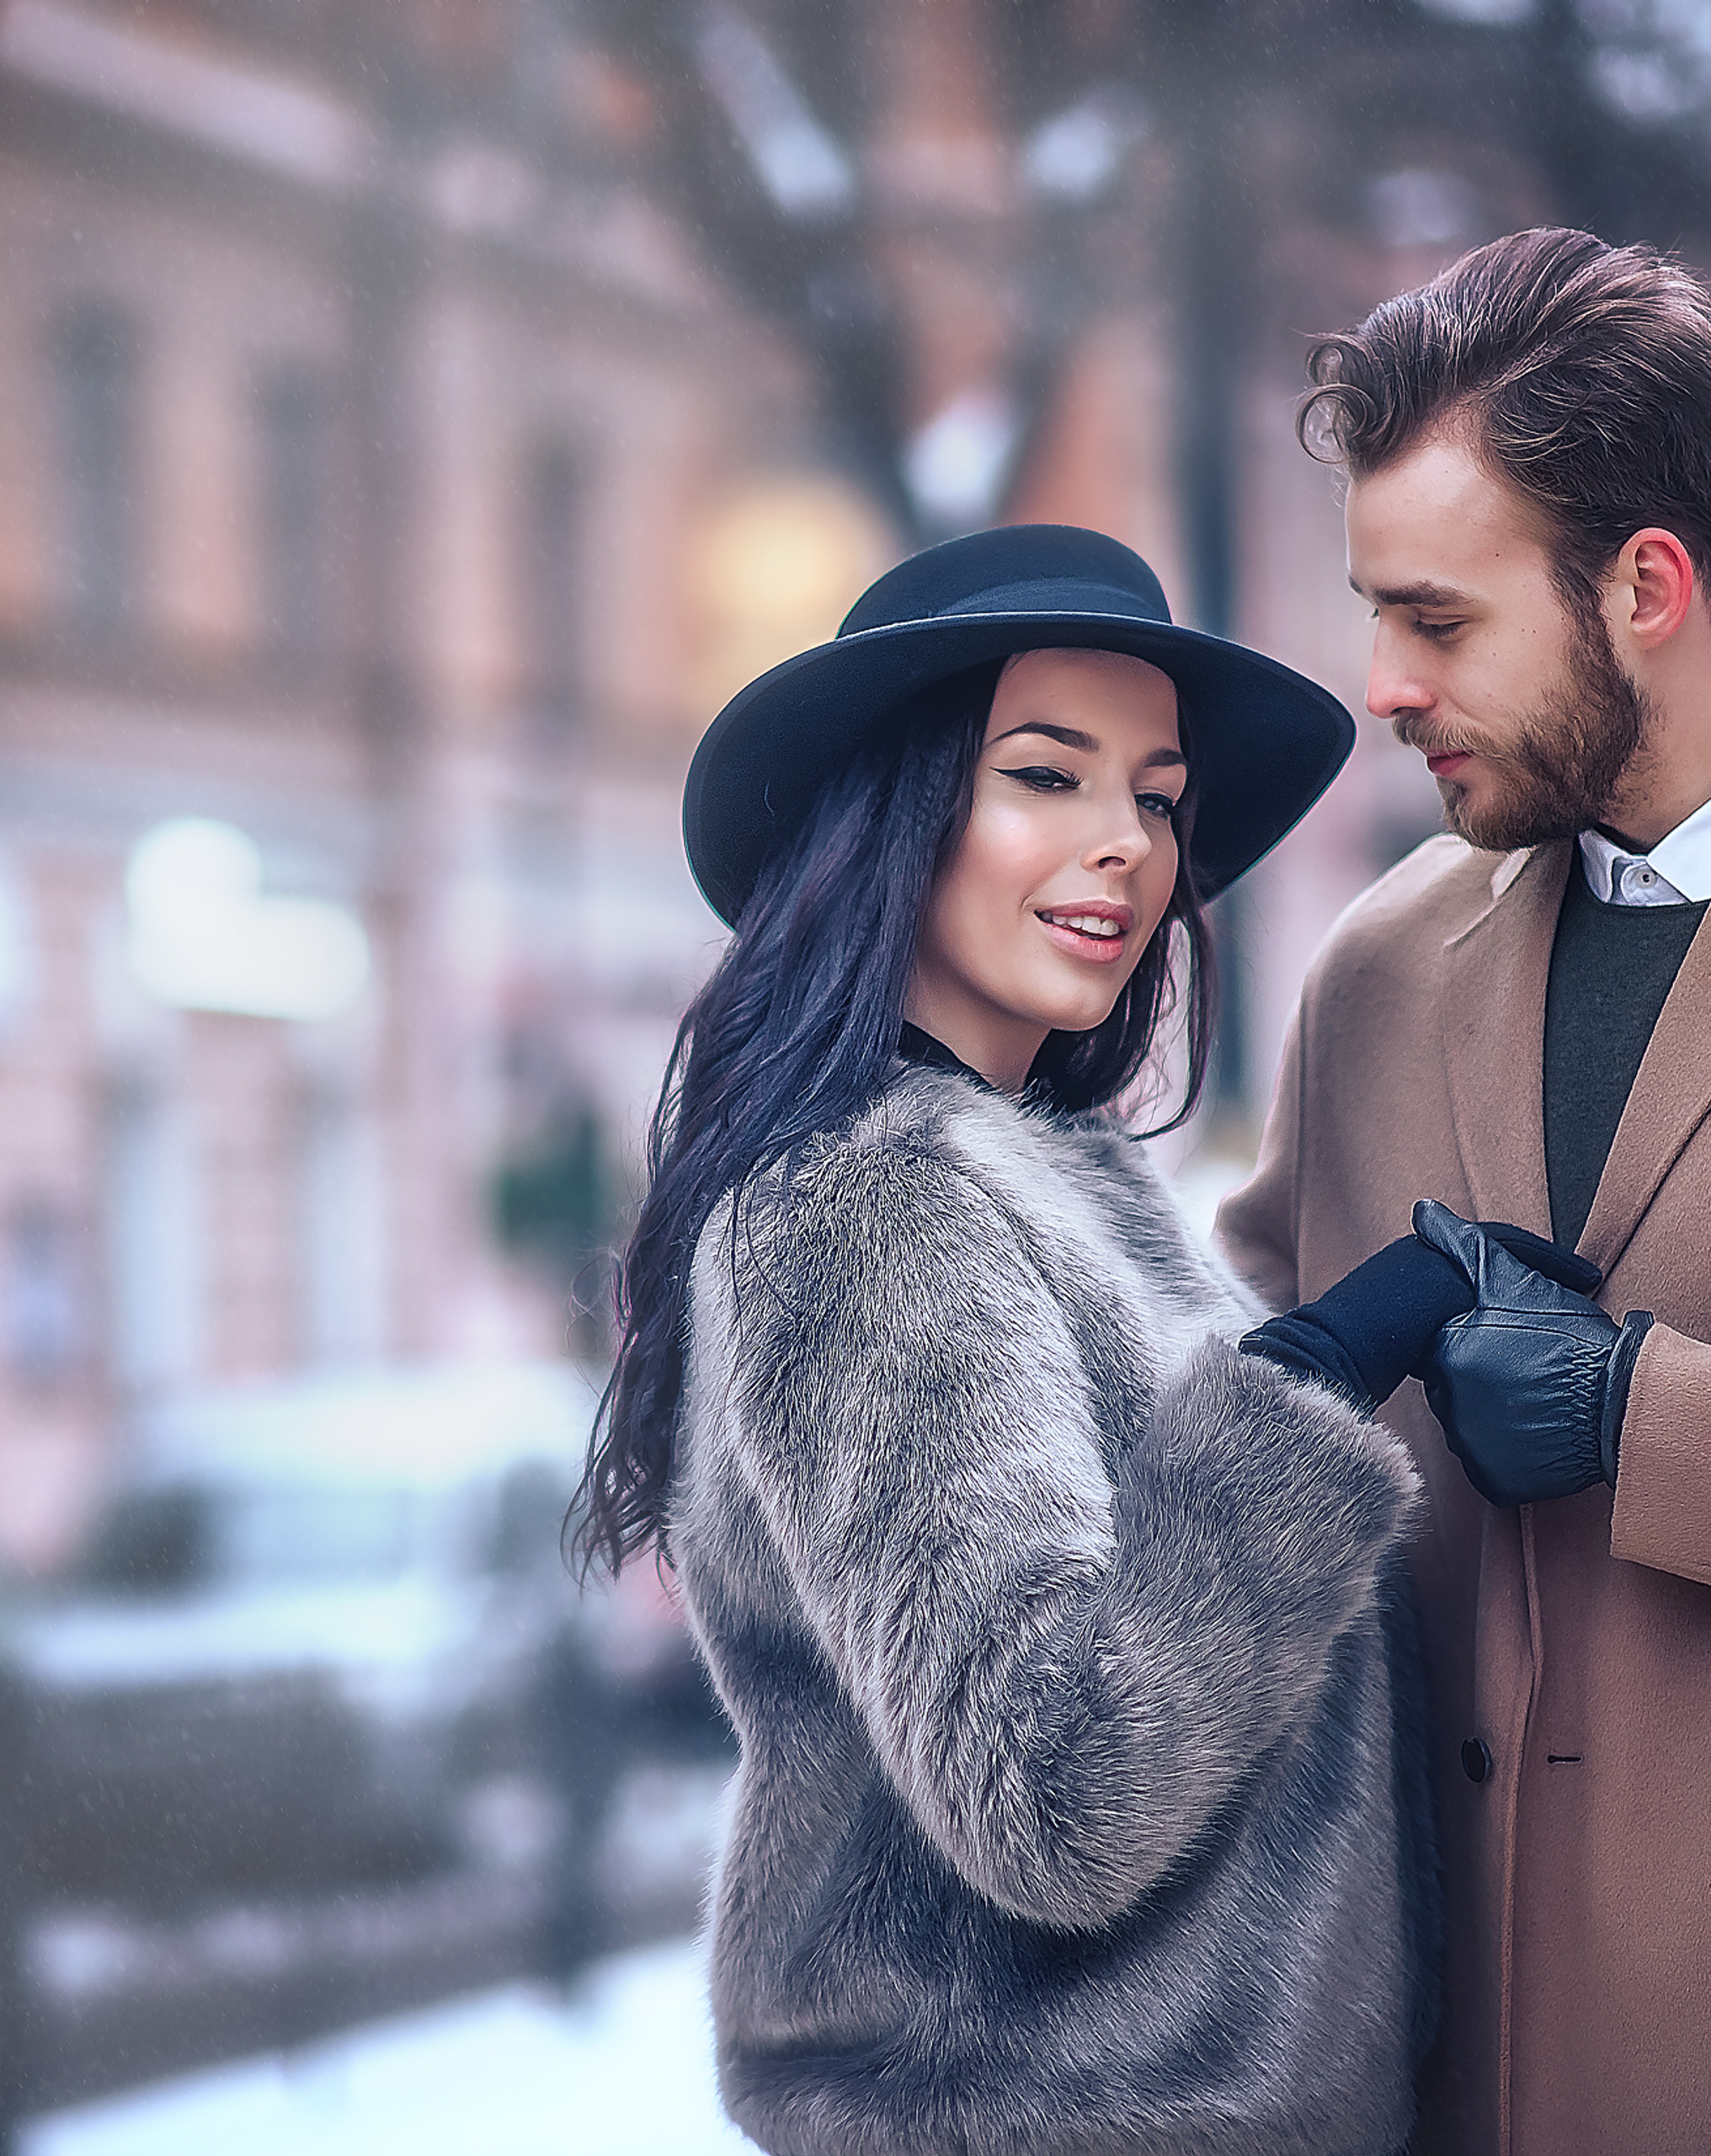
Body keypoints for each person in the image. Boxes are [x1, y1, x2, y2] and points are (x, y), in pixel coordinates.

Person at [574, 524, 1586, 2156]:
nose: (1125, 843)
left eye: (1158, 795)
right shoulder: (867, 1201)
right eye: (1045, 775)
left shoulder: (1028, 1167)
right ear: (893, 815)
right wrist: (1321, 1363)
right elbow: (1055, 1787)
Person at [1218, 228, 1711, 2156]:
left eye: (1436, 619)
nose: (1379, 686)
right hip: (1420, 2064)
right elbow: (1235, 1450)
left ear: (1644, 583)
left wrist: (1644, 1412)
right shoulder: (1375, 961)